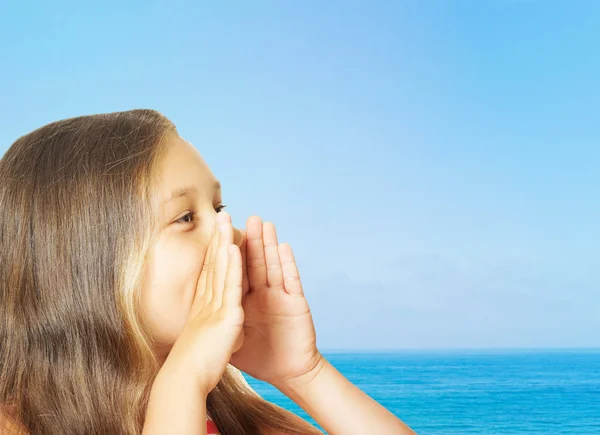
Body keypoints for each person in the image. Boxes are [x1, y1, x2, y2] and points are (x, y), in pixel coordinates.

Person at [0, 109, 416, 435]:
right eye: (185, 217)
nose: (227, 233)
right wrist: (182, 382)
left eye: (218, 209)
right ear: (82, 263)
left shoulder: (235, 419)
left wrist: (304, 374)